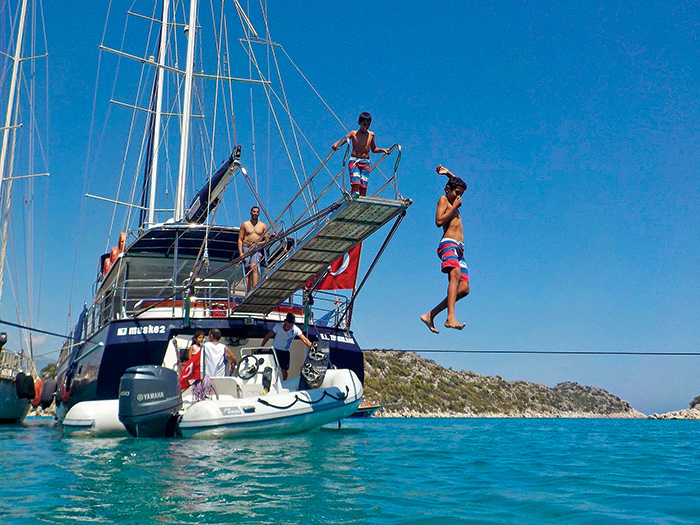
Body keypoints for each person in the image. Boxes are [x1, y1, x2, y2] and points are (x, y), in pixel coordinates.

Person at [421, 165, 470, 333]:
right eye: (457, 193)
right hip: (448, 243)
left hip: (460, 249)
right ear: (448, 190)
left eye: (461, 195)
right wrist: (454, 206)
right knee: (455, 275)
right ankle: (450, 317)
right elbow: (439, 221)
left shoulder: (453, 196)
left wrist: (448, 173)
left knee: (463, 289)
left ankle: (430, 315)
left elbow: (457, 183)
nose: (459, 197)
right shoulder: (444, 200)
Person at [332, 111, 389, 196]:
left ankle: (362, 201)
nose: (365, 127)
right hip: (355, 161)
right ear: (359, 123)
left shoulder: (371, 135)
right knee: (356, 183)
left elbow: (373, 149)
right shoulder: (353, 133)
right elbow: (343, 140)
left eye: (368, 125)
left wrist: (382, 150)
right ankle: (353, 198)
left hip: (365, 162)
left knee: (363, 187)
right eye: (364, 124)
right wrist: (336, 144)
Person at [260, 313, 313, 380]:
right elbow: (268, 335)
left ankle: (284, 383)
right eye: (289, 323)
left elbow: (304, 339)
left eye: (292, 323)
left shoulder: (295, 329)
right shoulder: (278, 326)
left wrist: (311, 346)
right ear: (285, 321)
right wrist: (261, 346)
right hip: (274, 350)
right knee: (270, 367)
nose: (290, 325)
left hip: (285, 352)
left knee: (285, 370)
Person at [238, 206, 268, 291]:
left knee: (254, 268)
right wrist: (241, 253)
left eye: (257, 212)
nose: (255, 213)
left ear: (259, 214)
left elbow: (267, 240)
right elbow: (240, 239)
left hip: (256, 248)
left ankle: (254, 289)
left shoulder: (263, 226)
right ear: (251, 212)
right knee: (247, 270)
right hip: (246, 247)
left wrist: (258, 243)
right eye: (254, 212)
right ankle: (247, 291)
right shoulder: (245, 224)